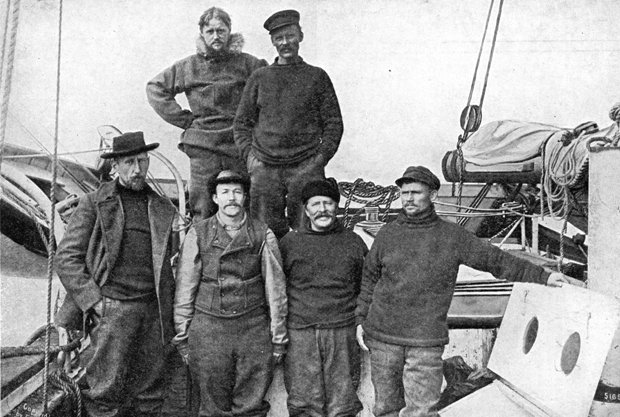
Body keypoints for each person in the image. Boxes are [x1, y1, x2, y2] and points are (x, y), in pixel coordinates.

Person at [355, 166, 585, 417]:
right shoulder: (388, 234)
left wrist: (545, 276)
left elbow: (497, 260)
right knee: (385, 409)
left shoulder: (452, 236)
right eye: (404, 192)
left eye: (415, 192)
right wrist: (360, 319)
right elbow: (369, 280)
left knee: (422, 411)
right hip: (382, 338)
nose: (408, 198)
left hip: (424, 342)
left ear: (432, 195)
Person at [55, 132, 177, 417]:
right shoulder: (94, 203)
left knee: (150, 394)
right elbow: (66, 258)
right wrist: (94, 301)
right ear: (116, 166)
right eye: (130, 162)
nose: (137, 169)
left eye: (143, 161)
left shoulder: (161, 207)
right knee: (103, 392)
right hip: (112, 310)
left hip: (153, 312)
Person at [173, 170, 288, 417]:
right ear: (215, 198)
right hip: (209, 333)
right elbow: (185, 289)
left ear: (245, 196)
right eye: (225, 192)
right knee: (212, 408)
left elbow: (276, 291)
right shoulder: (198, 233)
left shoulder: (263, 233)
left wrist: (278, 337)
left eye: (237, 192)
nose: (231, 198)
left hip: (252, 332)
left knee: (251, 407)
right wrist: (182, 336)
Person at [147, 7, 267, 221]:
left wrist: (253, 126)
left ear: (229, 31)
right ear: (201, 33)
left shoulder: (250, 64)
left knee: (242, 205)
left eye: (221, 30)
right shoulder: (188, 66)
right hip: (203, 149)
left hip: (238, 146)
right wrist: (185, 120)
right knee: (202, 207)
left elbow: (268, 97)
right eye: (210, 31)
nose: (216, 36)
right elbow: (155, 88)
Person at [234, 9, 344, 239]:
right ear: (273, 42)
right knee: (263, 233)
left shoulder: (317, 77)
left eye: (290, 36)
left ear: (300, 37)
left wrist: (319, 160)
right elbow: (242, 123)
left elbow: (333, 123)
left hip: (305, 167)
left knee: (309, 230)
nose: (285, 43)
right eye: (279, 38)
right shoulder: (260, 77)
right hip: (265, 167)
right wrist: (250, 159)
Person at [280, 179, 368, 417]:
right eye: (315, 204)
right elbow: (278, 289)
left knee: (343, 404)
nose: (322, 209)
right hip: (300, 332)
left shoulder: (353, 242)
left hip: (342, 330)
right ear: (306, 210)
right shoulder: (289, 243)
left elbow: (368, 287)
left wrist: (362, 321)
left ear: (336, 207)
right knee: (303, 404)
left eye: (328, 203)